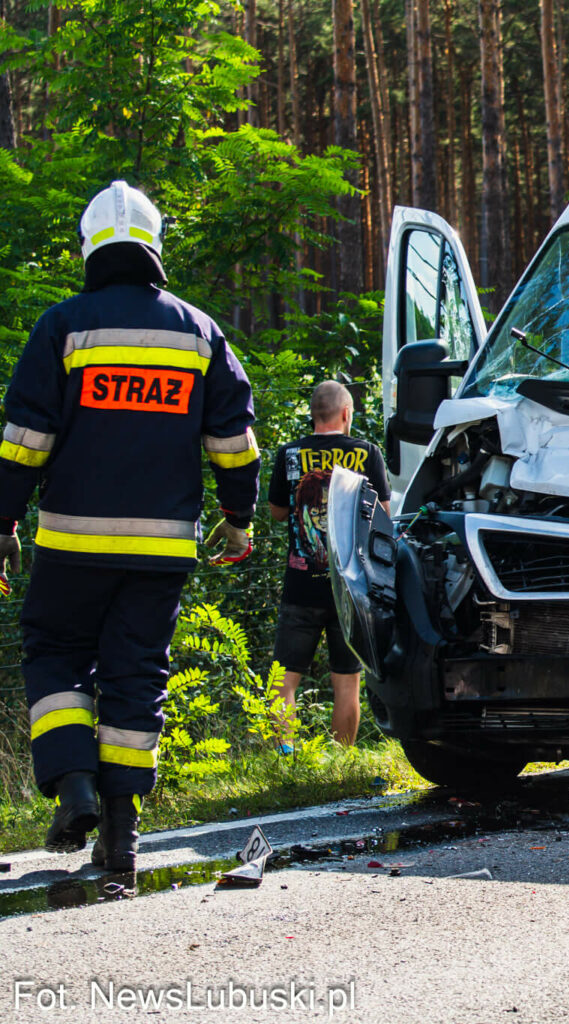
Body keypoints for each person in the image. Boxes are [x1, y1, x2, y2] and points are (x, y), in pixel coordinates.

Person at [0, 181, 259, 871]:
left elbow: (25, 440)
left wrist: (3, 521)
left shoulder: (63, 327)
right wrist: (238, 517)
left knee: (54, 651)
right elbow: (235, 444)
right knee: (136, 674)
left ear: (90, 247)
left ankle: (74, 784)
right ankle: (122, 833)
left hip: (72, 541)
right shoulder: (198, 332)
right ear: (155, 245)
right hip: (161, 548)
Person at [268, 381, 389, 748]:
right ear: (346, 413)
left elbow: (277, 512)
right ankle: (341, 758)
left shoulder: (290, 454)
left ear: (313, 415)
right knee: (347, 681)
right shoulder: (366, 453)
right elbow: (383, 515)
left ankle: (286, 754)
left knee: (282, 680)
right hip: (349, 585)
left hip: (300, 586)